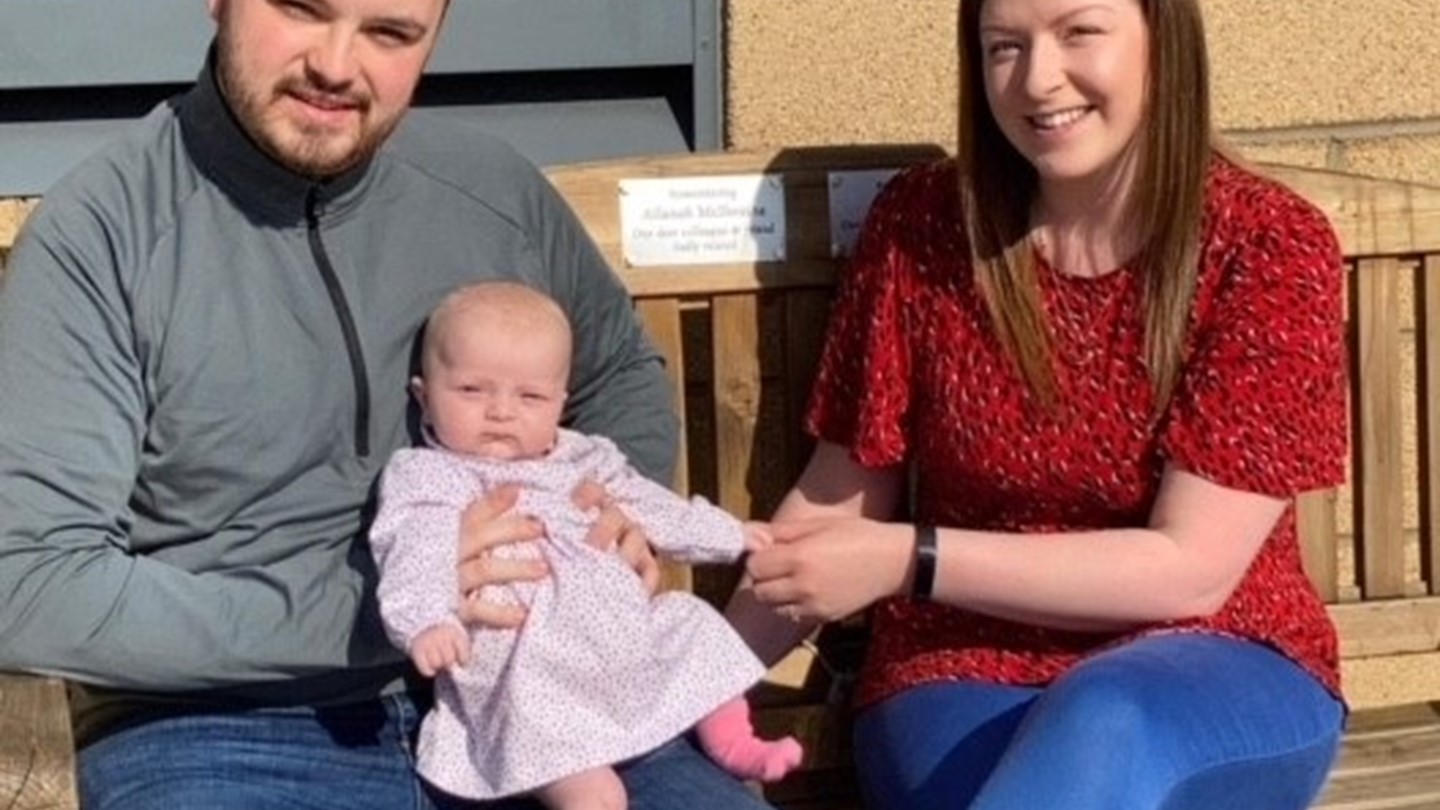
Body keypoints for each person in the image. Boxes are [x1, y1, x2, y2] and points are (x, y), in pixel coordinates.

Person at [0, 1, 777, 808]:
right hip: (224, 725)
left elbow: (619, 374)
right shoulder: (105, 233)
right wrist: (388, 605)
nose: (337, 65)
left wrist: (608, 514)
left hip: (545, 691)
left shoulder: (490, 190)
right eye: (303, 9)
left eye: (390, 33)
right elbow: (30, 587)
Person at [726, 0, 1349, 808]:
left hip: (1217, 661)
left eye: (1078, 32)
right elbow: (839, 490)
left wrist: (907, 558)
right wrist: (687, 684)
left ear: (1164, 40)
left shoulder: (1265, 245)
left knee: (1103, 720)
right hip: (958, 670)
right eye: (1003, 47)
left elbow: (1188, 571)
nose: (1037, 79)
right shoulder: (923, 227)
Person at [371, 282, 802, 808]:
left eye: (529, 396)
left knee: (692, 625)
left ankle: (735, 742)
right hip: (529, 673)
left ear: (560, 403)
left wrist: (729, 535)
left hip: (620, 643)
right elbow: (414, 550)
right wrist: (426, 620)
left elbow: (648, 505)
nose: (501, 411)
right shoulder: (433, 476)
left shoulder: (582, 459)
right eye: (472, 391)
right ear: (423, 396)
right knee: (592, 790)